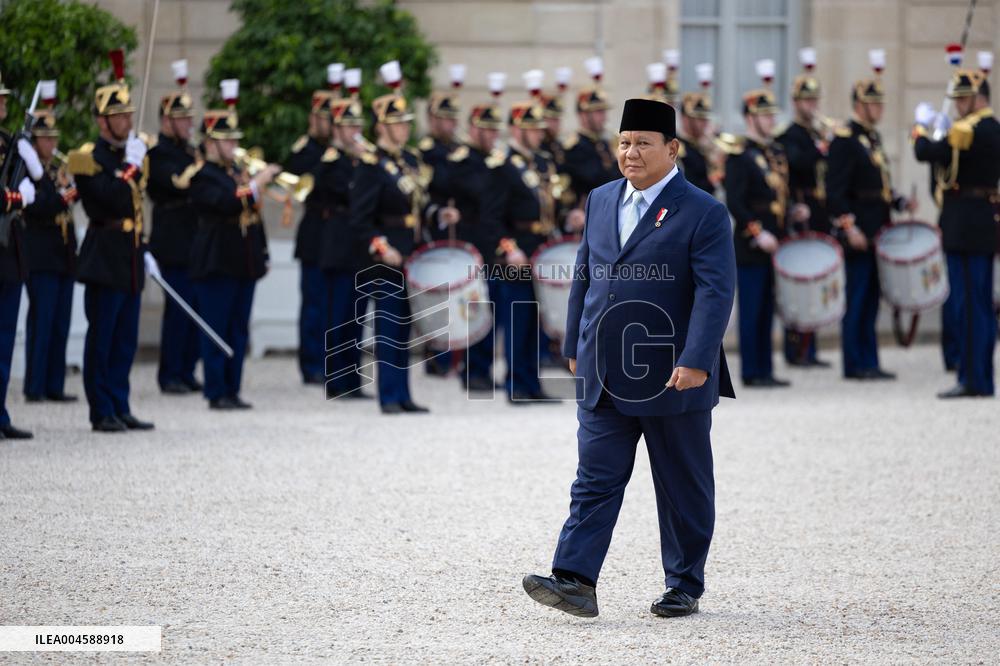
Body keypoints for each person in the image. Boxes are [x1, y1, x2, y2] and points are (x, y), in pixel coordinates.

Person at [523, 98, 736, 619]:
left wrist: (697, 359)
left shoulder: (703, 211)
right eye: (623, 142)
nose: (630, 152)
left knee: (682, 483)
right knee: (595, 477)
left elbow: (715, 291)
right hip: (603, 369)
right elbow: (586, 275)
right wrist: (573, 343)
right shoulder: (600, 199)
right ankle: (574, 579)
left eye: (643, 142)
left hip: (671, 374)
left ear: (673, 148)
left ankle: (684, 583)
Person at [349, 61, 460, 414]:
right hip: (387, 255)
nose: (403, 129)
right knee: (387, 324)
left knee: (407, 326)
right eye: (397, 123)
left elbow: (420, 204)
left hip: (412, 252)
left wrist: (437, 214)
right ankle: (389, 395)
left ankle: (404, 394)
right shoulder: (370, 163)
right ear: (382, 125)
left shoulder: (410, 160)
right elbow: (361, 218)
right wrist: (382, 247)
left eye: (406, 123)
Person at [70, 50, 155, 432]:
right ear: (103, 121)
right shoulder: (84, 157)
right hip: (104, 254)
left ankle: (120, 403)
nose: (127, 121)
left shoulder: (130, 153)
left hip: (131, 253)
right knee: (102, 337)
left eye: (129, 115)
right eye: (119, 116)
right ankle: (100, 409)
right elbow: (106, 198)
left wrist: (146, 247)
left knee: (125, 339)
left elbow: (137, 207)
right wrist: (130, 167)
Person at [188, 80, 278, 410]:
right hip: (216, 261)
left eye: (235, 139)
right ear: (210, 142)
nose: (234, 146)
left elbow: (253, 217)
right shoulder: (203, 176)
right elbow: (226, 204)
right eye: (227, 140)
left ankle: (232, 387)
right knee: (216, 329)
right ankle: (215, 390)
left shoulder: (235, 175)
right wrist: (255, 184)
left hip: (243, 261)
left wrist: (264, 253)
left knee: (239, 329)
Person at [912, 57, 999, 398]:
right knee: (976, 302)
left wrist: (921, 127)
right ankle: (976, 376)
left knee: (970, 305)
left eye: (963, 99)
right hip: (977, 224)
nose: (959, 105)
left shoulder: (972, 129)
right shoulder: (984, 128)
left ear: (978, 98)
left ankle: (974, 379)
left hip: (966, 227)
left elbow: (926, 152)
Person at [827, 50, 915, 380]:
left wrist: (900, 202)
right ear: (859, 105)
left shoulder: (871, 138)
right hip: (859, 230)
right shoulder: (845, 140)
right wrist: (849, 227)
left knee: (873, 299)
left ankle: (870, 360)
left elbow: (880, 185)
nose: (879, 109)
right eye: (873, 104)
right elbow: (834, 193)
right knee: (859, 297)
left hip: (879, 228)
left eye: (880, 104)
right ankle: (854, 363)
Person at [724, 69, 806, 388]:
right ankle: (751, 370)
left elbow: (777, 193)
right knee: (752, 308)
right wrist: (758, 233)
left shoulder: (773, 153)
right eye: (764, 116)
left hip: (777, 239)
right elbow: (736, 201)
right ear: (750, 118)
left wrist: (791, 211)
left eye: (772, 115)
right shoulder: (739, 155)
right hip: (751, 243)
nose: (771, 121)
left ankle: (766, 369)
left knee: (768, 307)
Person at [439, 102, 506, 392]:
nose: (492, 135)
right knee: (475, 309)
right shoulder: (462, 162)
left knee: (492, 310)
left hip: (492, 244)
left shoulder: (493, 161)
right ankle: (474, 369)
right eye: (487, 129)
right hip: (471, 246)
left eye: (495, 130)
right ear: (474, 129)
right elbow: (476, 193)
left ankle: (485, 367)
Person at [494, 99, 557, 402]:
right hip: (517, 250)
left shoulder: (542, 162)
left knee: (536, 320)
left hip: (541, 249)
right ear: (516, 130)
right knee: (518, 319)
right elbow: (491, 217)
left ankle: (532, 383)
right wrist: (508, 249)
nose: (538, 134)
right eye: (532, 129)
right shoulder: (503, 165)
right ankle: (515, 384)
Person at [147, 60, 202, 394]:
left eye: (190, 118)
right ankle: (169, 373)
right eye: (183, 118)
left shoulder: (190, 151)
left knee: (195, 308)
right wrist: (202, 164)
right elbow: (178, 183)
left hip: (194, 238)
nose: (189, 123)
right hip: (172, 237)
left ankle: (186, 370)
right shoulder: (158, 153)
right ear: (167, 120)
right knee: (178, 309)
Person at [775, 48, 832, 368]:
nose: (812, 106)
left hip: (818, 209)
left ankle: (812, 346)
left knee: (817, 279)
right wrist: (820, 148)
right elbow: (796, 163)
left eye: (815, 101)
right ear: (796, 102)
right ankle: (795, 347)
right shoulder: (790, 135)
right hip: (799, 207)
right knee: (798, 279)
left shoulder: (816, 133)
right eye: (807, 101)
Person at [22, 82, 79, 405]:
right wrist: (64, 194)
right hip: (41, 254)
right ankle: (35, 385)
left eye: (54, 138)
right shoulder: (29, 171)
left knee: (60, 322)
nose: (51, 143)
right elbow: (41, 207)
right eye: (46, 138)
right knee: (41, 321)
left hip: (63, 253)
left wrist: (70, 190)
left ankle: (54, 383)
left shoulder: (57, 169)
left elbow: (67, 203)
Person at [319, 93, 373, 400]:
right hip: (338, 247)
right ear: (336, 129)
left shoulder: (362, 160)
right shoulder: (332, 161)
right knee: (338, 317)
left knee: (357, 319)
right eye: (347, 125)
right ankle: (336, 380)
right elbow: (350, 194)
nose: (354, 131)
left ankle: (353, 378)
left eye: (357, 124)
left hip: (358, 250)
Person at [0, 69, 42, 438]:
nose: (1, 104)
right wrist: (17, 197)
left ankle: (0, 413)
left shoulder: (9, 143)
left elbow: (39, 183)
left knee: (4, 340)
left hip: (8, 254)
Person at [287, 85, 336, 385]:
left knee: (336, 305)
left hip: (338, 236)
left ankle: (333, 360)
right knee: (314, 304)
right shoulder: (304, 151)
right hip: (316, 233)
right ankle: (311, 364)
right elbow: (304, 186)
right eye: (323, 118)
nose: (328, 125)